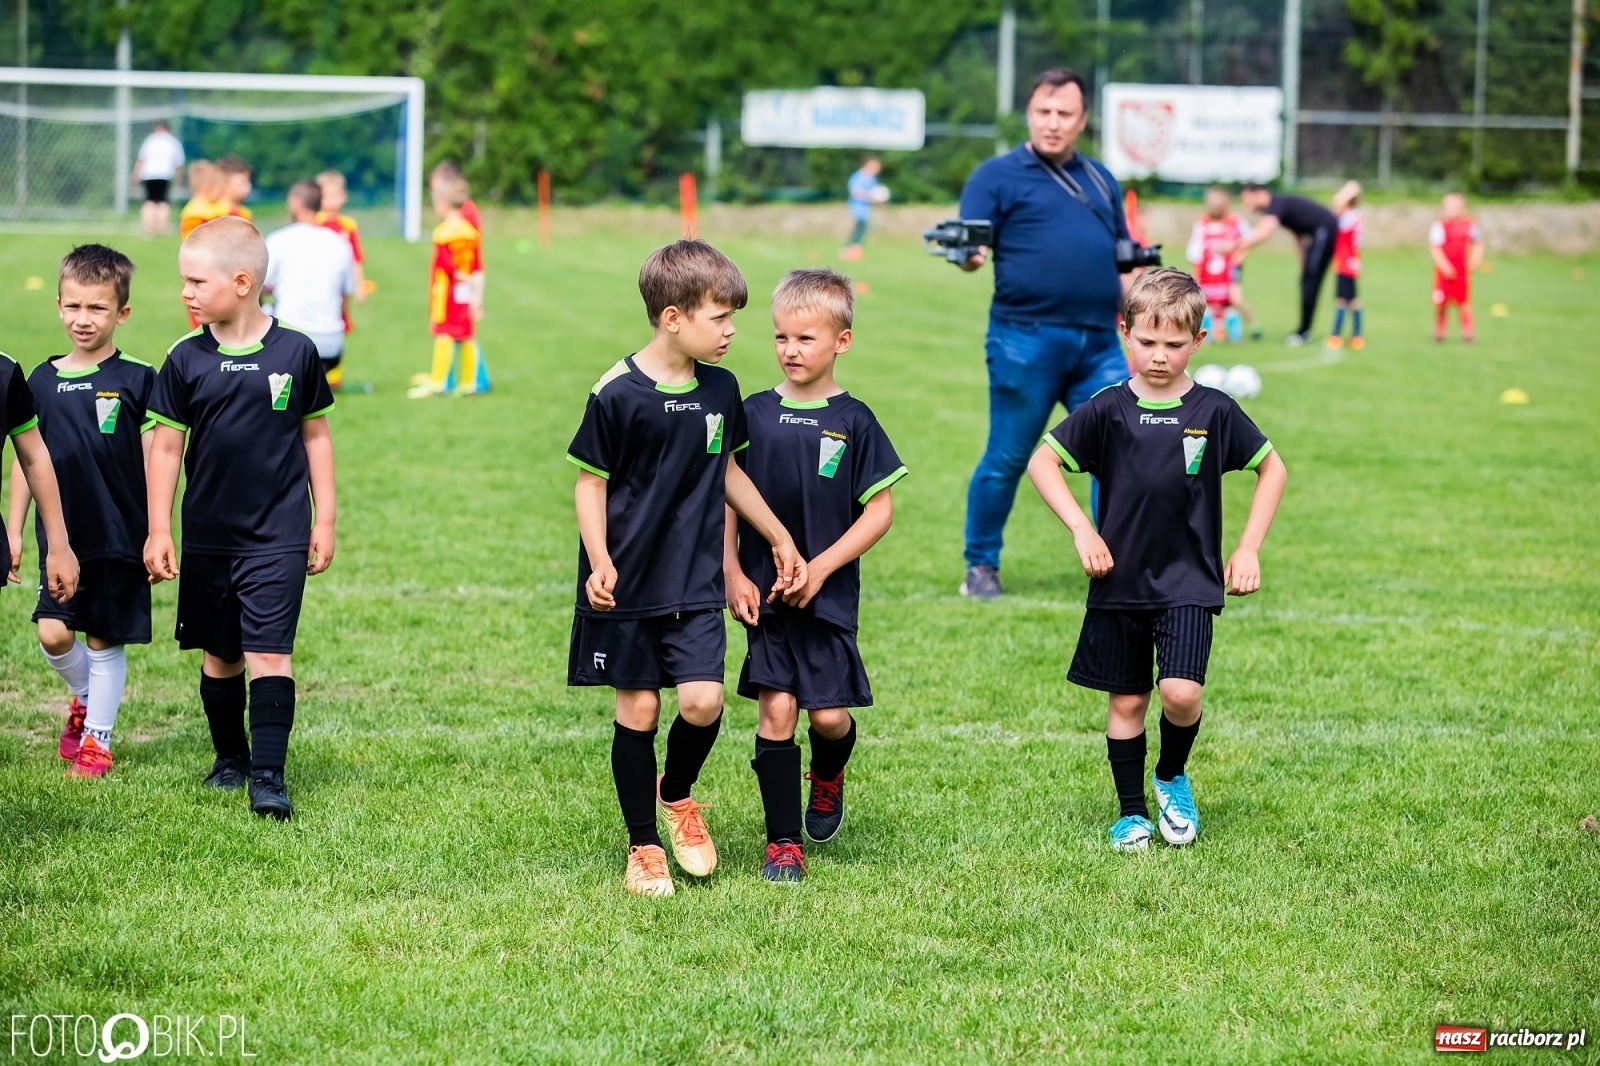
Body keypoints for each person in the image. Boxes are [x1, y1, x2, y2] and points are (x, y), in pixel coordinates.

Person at [565, 239, 806, 897]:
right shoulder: (616, 394)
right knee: (639, 708)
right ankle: (643, 847)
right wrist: (599, 561)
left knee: (701, 703)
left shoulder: (722, 390)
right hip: (627, 583)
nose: (731, 332)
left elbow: (727, 472)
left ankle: (675, 795)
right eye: (719, 318)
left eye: (733, 318)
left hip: (695, 579)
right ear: (673, 318)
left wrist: (778, 535)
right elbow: (590, 484)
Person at [1027, 268, 1286, 851]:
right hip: (1119, 579)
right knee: (1127, 700)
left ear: (1198, 341)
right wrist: (1081, 530)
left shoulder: (1215, 410)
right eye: (1147, 342)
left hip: (1189, 578)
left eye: (1174, 344)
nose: (1160, 356)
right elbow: (1044, 460)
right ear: (1125, 333)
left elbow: (1273, 468)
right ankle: (1130, 812)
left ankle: (1171, 774)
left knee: (1181, 693)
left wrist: (1247, 547)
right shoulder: (1109, 407)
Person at [144, 217, 337, 822]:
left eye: (197, 282)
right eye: (184, 281)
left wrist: (324, 518)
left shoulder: (296, 352)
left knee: (269, 653)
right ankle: (230, 757)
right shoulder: (184, 359)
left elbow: (316, 436)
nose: (187, 293)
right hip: (208, 536)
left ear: (244, 281)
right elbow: (167, 448)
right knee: (220, 655)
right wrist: (158, 527)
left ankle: (268, 776)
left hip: (278, 535)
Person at [724, 268, 906, 883]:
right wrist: (731, 571)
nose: (790, 350)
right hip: (766, 595)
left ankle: (827, 777)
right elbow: (726, 498)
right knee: (777, 711)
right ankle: (782, 843)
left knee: (827, 718)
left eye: (804, 338)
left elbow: (879, 511)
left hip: (826, 597)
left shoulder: (855, 420)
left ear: (841, 341)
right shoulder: (751, 413)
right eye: (780, 338)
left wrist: (824, 567)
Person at [954, 67, 1138, 601]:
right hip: (1024, 340)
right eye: (1043, 112)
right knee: (1009, 455)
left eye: (1064, 114)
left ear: (1083, 120)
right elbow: (971, 249)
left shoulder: (1103, 179)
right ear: (1029, 114)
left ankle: (1115, 563)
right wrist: (969, 256)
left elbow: (1126, 260)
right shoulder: (994, 176)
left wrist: (1152, 315)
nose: (1052, 123)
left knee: (1119, 451)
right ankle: (981, 566)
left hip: (1101, 344)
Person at [7, 245, 152, 778]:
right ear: (58, 304)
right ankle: (85, 696)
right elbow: (26, 461)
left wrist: (157, 529)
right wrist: (17, 531)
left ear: (122, 313)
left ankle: (98, 741)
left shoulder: (139, 378)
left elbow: (157, 458)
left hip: (118, 533)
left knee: (101, 637)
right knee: (52, 632)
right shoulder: (38, 382)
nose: (82, 319)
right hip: (60, 539)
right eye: (73, 307)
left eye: (97, 308)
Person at [264, 180, 357, 390]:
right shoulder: (339, 243)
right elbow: (345, 296)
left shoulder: (280, 239)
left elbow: (260, 286)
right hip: (331, 344)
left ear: (297, 202)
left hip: (290, 342)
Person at [408, 174, 486, 398]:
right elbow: (477, 266)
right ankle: (468, 383)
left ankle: (439, 382)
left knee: (443, 335)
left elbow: (447, 266)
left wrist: (463, 277)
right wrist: (476, 291)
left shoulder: (443, 233)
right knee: (467, 335)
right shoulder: (471, 233)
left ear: (442, 203)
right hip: (466, 294)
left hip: (446, 294)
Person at [1235, 183, 1339, 346]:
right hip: (1318, 233)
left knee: (1311, 281)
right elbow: (1297, 234)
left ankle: (1304, 332)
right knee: (1307, 280)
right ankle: (1304, 330)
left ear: (1260, 194)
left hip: (1325, 229)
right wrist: (1303, 261)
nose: (1249, 208)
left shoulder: (1277, 204)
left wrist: (1239, 245)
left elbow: (1266, 230)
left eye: (1248, 202)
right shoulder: (1281, 207)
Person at [1185, 187, 1248, 344]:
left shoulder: (1235, 221)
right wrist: (1197, 271)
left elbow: (1249, 240)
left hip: (1229, 270)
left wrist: (1238, 255)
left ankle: (1236, 336)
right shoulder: (1202, 224)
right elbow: (1194, 252)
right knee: (1208, 303)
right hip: (1208, 272)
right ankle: (1207, 336)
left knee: (1231, 301)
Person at [315, 170, 367, 324]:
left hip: (341, 281)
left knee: (339, 318)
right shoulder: (315, 223)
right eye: (327, 195)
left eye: (336, 195)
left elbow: (355, 259)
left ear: (344, 196)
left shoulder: (348, 225)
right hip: (319, 278)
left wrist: (360, 286)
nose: (332, 200)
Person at [1430, 192, 1484, 343]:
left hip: (1461, 270)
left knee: (1464, 302)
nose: (1451, 210)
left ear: (1463, 208)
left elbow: (1478, 244)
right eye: (1448, 206)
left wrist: (1474, 260)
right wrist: (1444, 265)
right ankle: (1439, 332)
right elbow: (1435, 248)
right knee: (1441, 303)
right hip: (1444, 271)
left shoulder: (1470, 225)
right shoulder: (1440, 225)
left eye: (1454, 206)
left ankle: (1467, 332)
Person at [1328, 181, 1364, 350]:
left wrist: (1346, 192)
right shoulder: (1352, 216)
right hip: (1348, 263)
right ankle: (1355, 336)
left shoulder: (1350, 217)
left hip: (1346, 264)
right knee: (1351, 300)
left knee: (1344, 301)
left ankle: (1338, 336)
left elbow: (1337, 205)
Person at [132, 122, 185, 238]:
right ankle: (162, 230)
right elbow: (179, 163)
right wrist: (179, 179)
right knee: (163, 203)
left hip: (149, 175)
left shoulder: (150, 140)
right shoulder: (173, 142)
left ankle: (148, 230)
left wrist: (135, 175)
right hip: (165, 175)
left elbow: (141, 160)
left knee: (149, 202)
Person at [840, 157, 883, 261]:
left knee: (863, 229)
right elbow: (854, 192)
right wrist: (869, 196)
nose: (877, 170)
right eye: (875, 167)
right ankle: (846, 250)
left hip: (866, 210)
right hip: (857, 208)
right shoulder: (858, 176)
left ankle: (854, 250)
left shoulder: (873, 179)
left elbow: (875, 194)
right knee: (859, 228)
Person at [178, 161, 233, 240]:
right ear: (208, 188)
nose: (222, 195)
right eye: (220, 191)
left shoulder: (214, 206)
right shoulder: (196, 213)